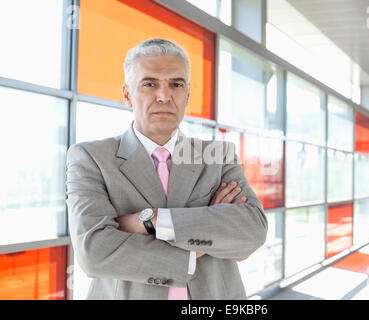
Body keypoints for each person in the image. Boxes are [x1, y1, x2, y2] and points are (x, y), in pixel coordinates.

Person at [66, 38, 268, 300]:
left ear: (187, 95)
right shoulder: (91, 158)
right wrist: (204, 233)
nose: (164, 95)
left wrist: (149, 220)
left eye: (176, 84)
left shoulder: (217, 155)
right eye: (150, 84)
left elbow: (251, 230)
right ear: (127, 95)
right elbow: (94, 253)